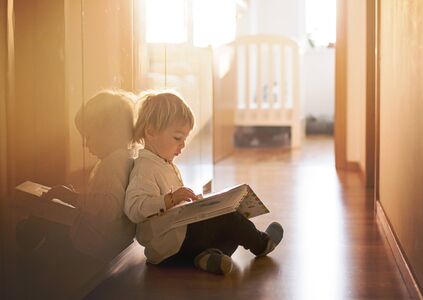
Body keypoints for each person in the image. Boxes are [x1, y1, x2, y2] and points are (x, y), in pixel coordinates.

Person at [124, 91, 283, 275]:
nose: (182, 145)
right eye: (177, 138)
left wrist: (194, 207)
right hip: (168, 247)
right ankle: (262, 243)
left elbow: (172, 211)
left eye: (185, 139)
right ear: (150, 131)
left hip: (177, 248)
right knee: (229, 218)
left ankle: (206, 258)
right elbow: (134, 208)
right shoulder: (145, 168)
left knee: (228, 228)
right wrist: (170, 199)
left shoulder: (164, 164)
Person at [42, 89, 136, 261]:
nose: (85, 144)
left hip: (95, 248)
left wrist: (71, 197)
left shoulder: (114, 164)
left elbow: (109, 207)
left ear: (110, 133)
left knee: (43, 234)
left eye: (89, 136)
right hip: (109, 243)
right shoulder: (122, 159)